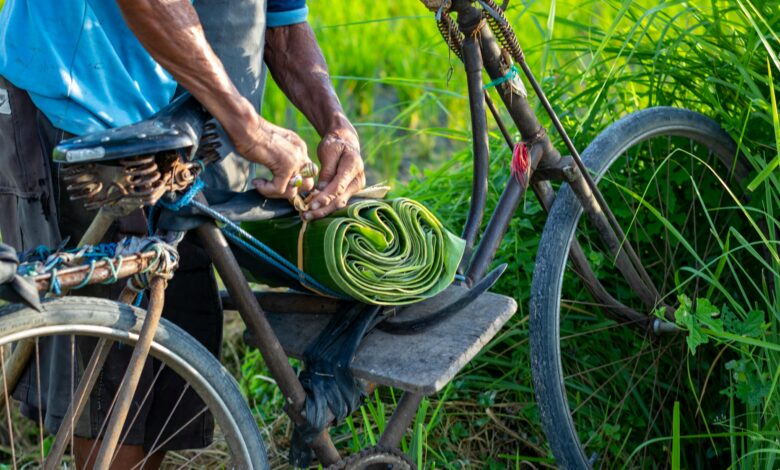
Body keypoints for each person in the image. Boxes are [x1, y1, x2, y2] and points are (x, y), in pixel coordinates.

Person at [0, 0, 365, 467]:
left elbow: (284, 24)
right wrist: (251, 130)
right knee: (110, 386)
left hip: (190, 126)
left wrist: (338, 127)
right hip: (84, 105)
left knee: (165, 367)